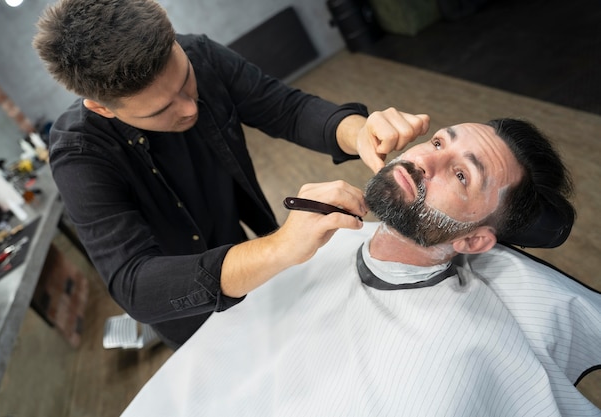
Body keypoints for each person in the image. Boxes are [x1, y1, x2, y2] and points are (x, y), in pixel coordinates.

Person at [120, 119, 601, 417]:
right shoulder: (310, 245)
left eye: (460, 174)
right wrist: (278, 248)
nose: (422, 162)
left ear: (474, 240)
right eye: (438, 142)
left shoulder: (453, 360)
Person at [32, 0, 430, 348]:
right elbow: (135, 282)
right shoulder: (80, 155)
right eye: (159, 110)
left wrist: (359, 132)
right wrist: (278, 248)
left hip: (247, 268)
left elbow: (286, 109)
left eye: (186, 82)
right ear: (103, 108)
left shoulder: (200, 54)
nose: (189, 108)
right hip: (190, 320)